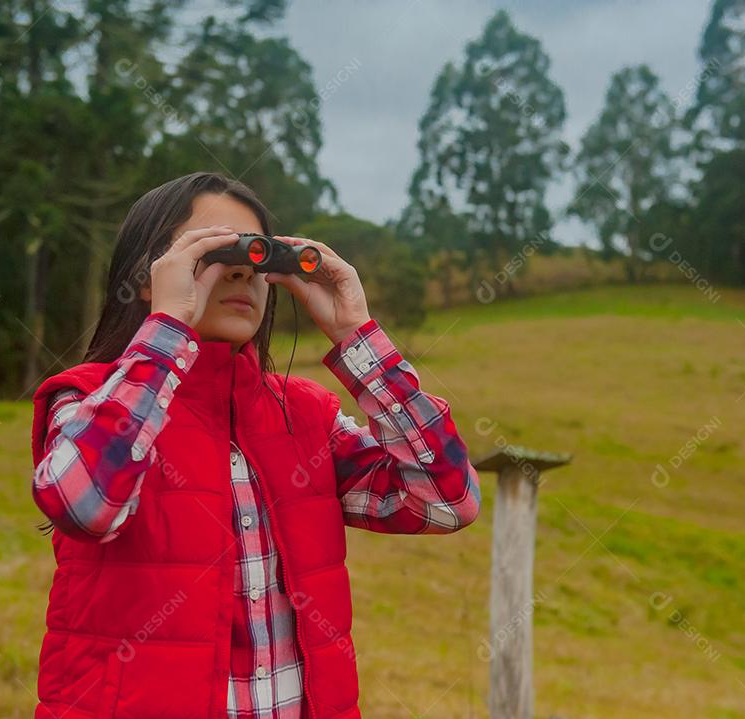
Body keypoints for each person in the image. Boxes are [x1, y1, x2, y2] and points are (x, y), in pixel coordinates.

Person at [28, 171, 481, 719]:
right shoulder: (90, 399)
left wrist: (356, 333)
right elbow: (84, 504)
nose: (243, 271)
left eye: (258, 259)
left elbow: (445, 501)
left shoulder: (306, 419)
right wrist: (168, 327)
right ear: (150, 277)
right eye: (216, 252)